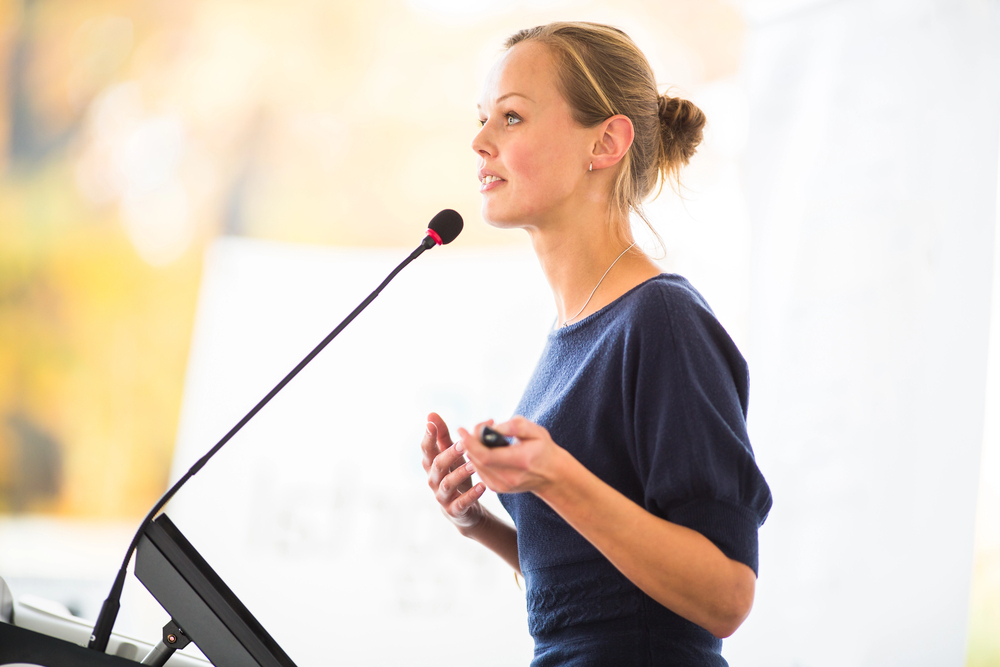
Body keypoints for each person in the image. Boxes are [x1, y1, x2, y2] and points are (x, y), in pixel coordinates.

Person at [419, 21, 772, 667]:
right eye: (482, 119)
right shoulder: (574, 333)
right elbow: (601, 591)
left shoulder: (662, 320)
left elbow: (725, 594)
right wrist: (482, 525)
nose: (478, 141)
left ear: (606, 142)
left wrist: (555, 476)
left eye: (512, 117)